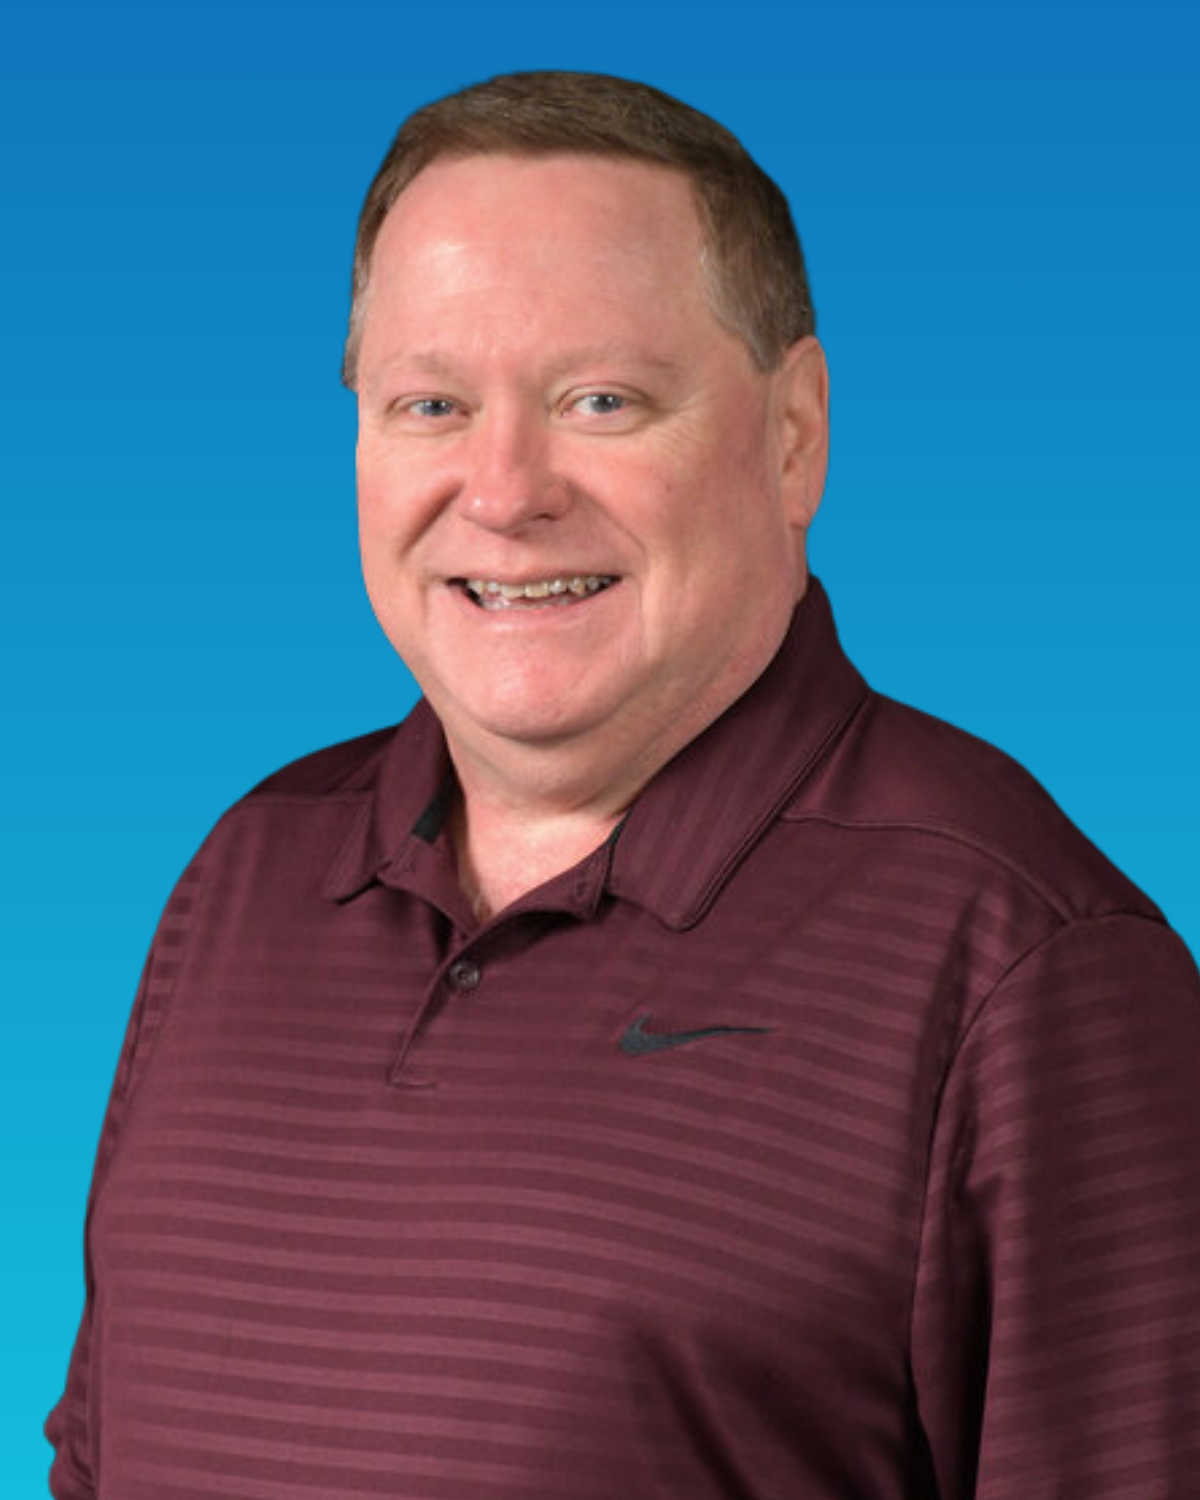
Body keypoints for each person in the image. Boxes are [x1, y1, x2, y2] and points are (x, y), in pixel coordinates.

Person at [47, 71, 1199, 1500]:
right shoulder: (243, 878)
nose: (504, 486)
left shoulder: (1021, 965)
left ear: (794, 436)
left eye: (601, 400)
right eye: (430, 401)